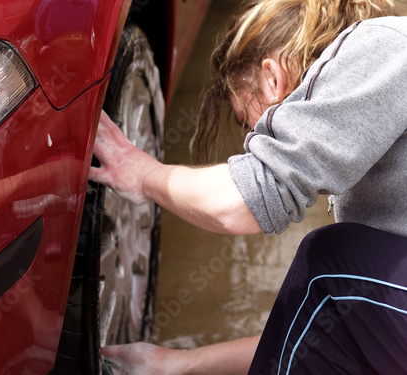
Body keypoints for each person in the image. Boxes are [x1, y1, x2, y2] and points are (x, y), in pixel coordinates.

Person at [89, 0, 407, 373]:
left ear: (271, 79)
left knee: (326, 260)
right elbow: (312, 330)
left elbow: (245, 200)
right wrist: (178, 364)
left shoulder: (379, 47)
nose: (252, 139)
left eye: (247, 121)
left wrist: (143, 174)